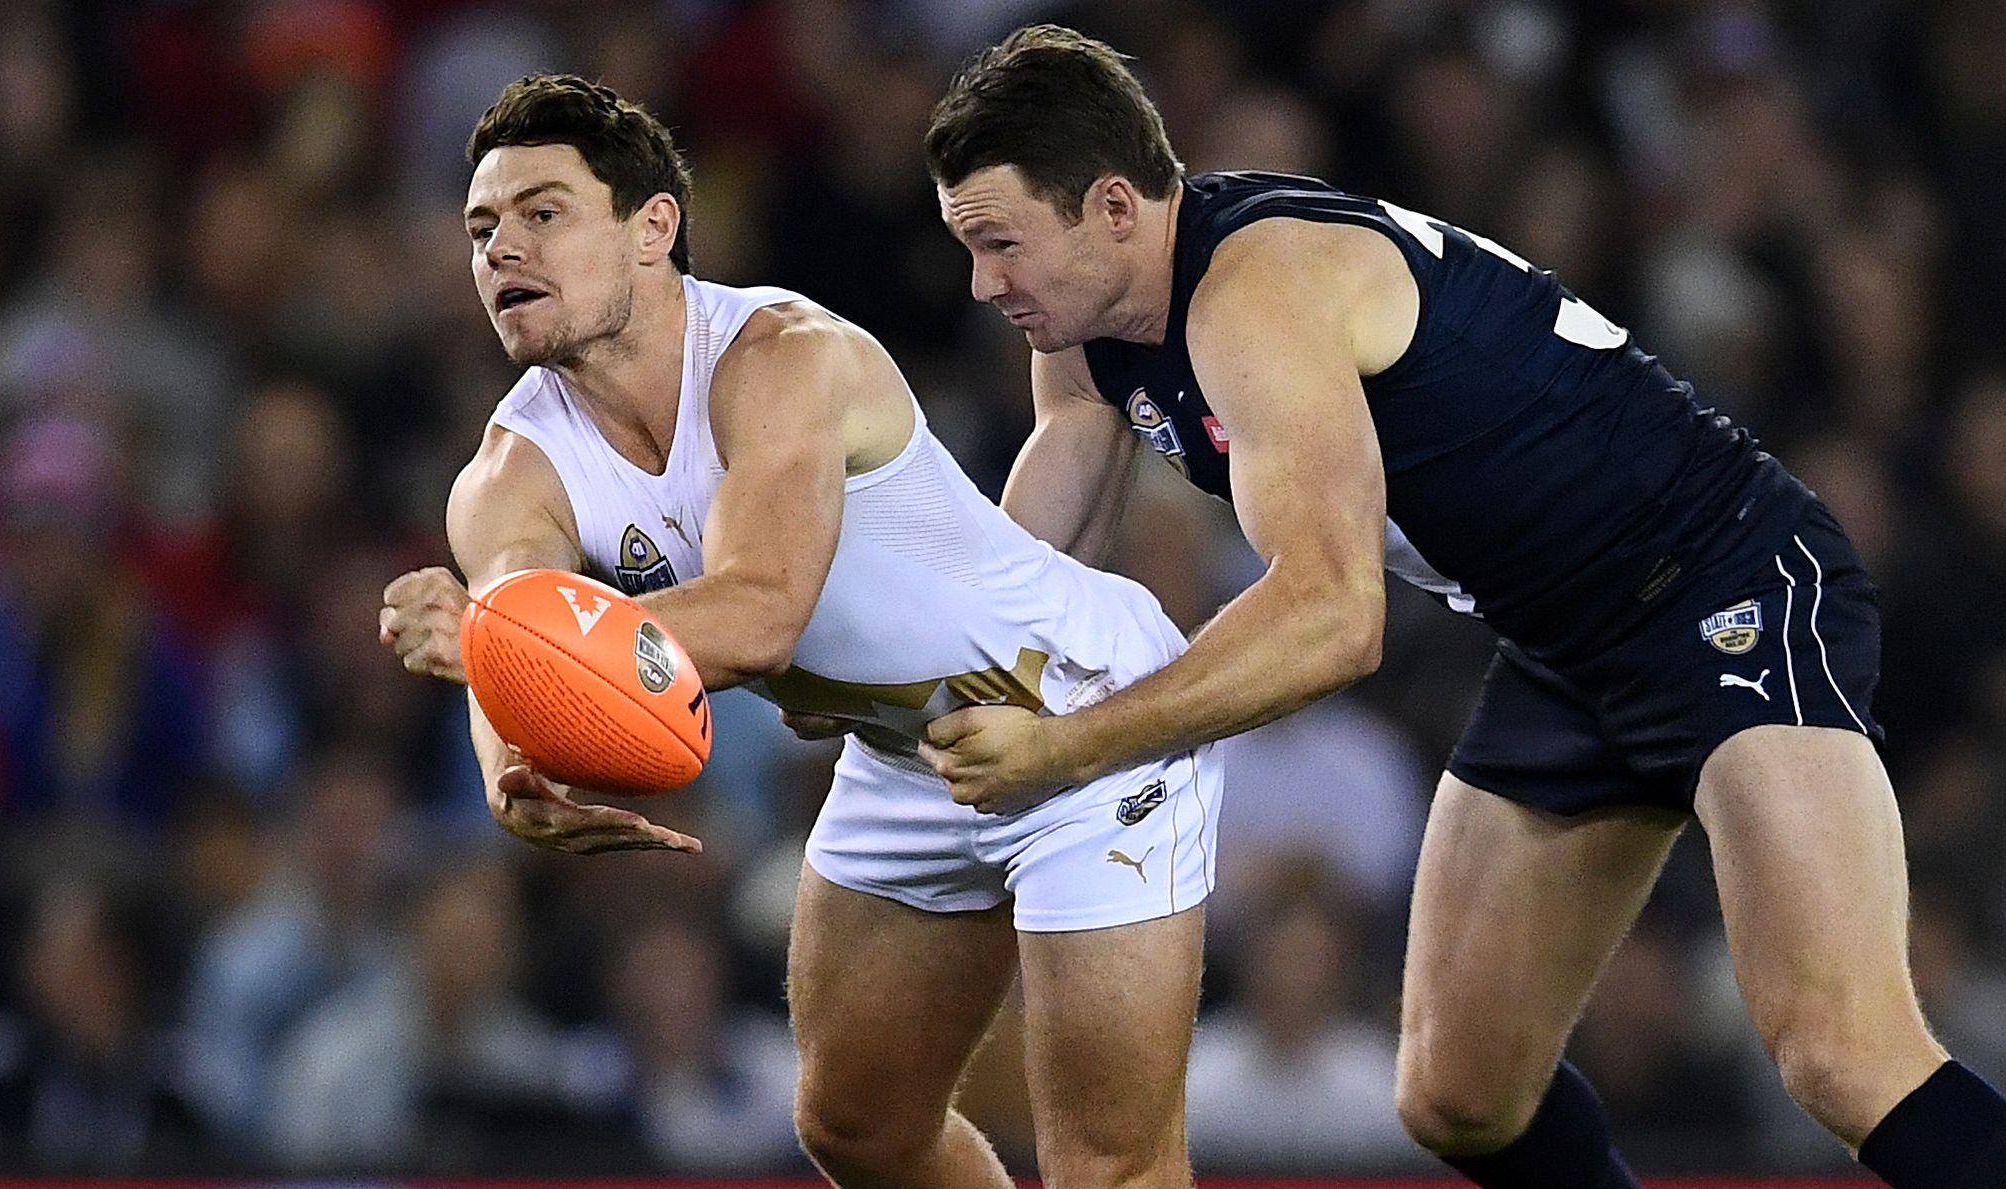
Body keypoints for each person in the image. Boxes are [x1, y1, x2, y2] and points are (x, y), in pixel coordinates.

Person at [916, 24, 2006, 1189]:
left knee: (1844, 1055)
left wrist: (1070, 747)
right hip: (1564, 640)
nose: (985, 283)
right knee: (1458, 1097)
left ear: (1115, 208)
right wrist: (885, 685)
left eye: (1000, 244)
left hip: (1719, 581)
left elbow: (1333, 618)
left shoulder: (1256, 293)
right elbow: (1024, 567)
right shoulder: (1089, 336)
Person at [376, 74, 1221, 1189]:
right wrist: (510, 751)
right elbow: (529, 630)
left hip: (1081, 707)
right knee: (855, 1128)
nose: (500, 250)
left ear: (653, 229)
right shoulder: (503, 473)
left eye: (542, 213)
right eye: (482, 228)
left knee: (1108, 1164)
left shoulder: (781, 355)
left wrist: (493, 641)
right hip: (909, 758)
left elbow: (761, 611)